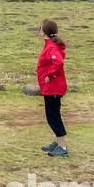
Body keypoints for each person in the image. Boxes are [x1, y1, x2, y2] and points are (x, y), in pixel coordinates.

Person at [37, 19, 70, 157]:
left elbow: (58, 62)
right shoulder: (49, 45)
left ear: (44, 31)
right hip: (50, 88)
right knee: (52, 115)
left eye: (40, 27)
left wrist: (50, 75)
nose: (38, 29)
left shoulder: (51, 47)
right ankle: (58, 143)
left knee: (53, 117)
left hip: (53, 88)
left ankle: (62, 147)